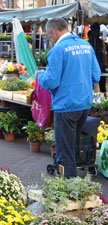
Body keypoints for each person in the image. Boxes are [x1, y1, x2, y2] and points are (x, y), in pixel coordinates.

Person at [38, 18, 101, 178]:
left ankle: (69, 187)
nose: (49, 38)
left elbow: (51, 81)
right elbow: (96, 76)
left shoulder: (58, 50)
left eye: (48, 34)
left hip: (66, 105)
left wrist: (40, 76)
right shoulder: (86, 45)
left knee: (65, 149)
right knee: (71, 144)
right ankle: (66, 174)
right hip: (84, 104)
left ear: (53, 31)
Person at [88, 22, 107, 93]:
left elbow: (103, 54)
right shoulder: (93, 42)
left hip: (98, 65)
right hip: (98, 65)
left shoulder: (99, 42)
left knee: (100, 86)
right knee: (100, 86)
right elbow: (103, 54)